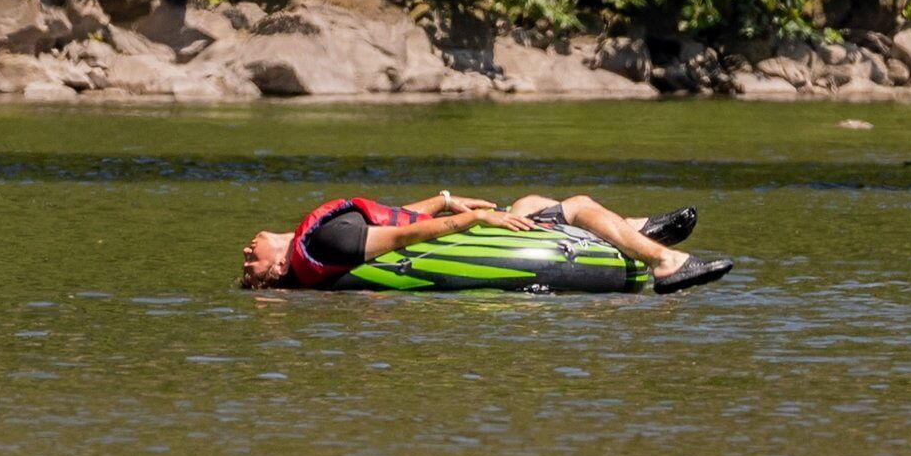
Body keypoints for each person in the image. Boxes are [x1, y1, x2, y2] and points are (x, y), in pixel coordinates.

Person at [238, 189, 731, 292]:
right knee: (576, 205)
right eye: (250, 268)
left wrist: (451, 200)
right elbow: (408, 233)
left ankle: (634, 228)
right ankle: (664, 260)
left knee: (529, 201)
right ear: (278, 268)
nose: (246, 254)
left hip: (455, 225)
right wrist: (480, 223)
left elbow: (404, 213)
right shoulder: (326, 242)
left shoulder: (323, 232)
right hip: (464, 246)